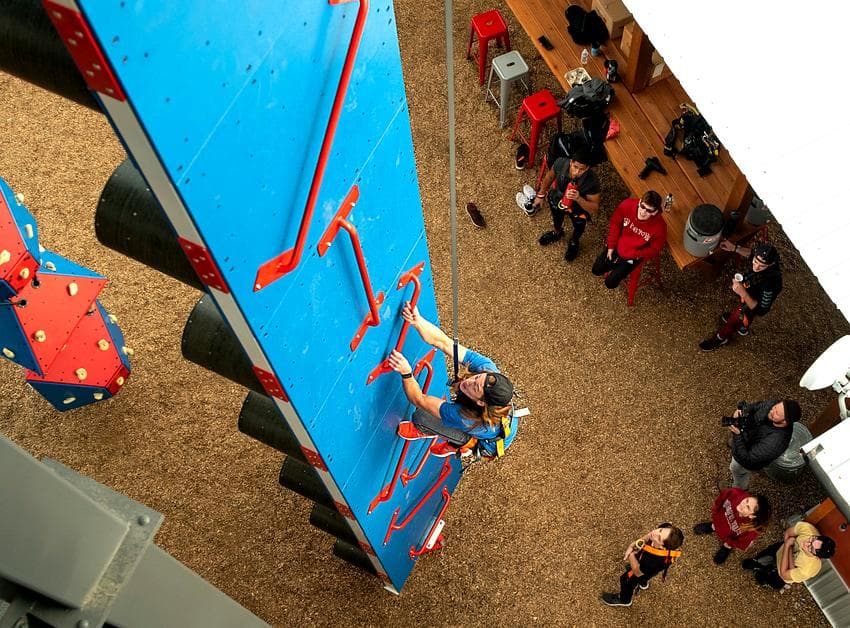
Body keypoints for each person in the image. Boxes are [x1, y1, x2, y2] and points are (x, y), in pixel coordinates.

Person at [386, 303, 518, 458]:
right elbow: (445, 343)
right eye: (476, 377)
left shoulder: (467, 419)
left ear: (482, 402)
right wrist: (418, 322)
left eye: (475, 388)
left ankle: (462, 447)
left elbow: (419, 399)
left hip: (488, 443)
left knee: (421, 417)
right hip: (499, 424)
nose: (469, 382)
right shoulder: (487, 370)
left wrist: (406, 373)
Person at [699, 242, 782, 351]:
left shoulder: (770, 283)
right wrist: (734, 248)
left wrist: (742, 292)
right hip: (751, 291)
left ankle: (721, 338)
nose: (756, 267)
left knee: (736, 318)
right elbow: (751, 254)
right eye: (755, 261)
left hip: (752, 303)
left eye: (762, 266)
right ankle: (742, 327)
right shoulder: (761, 258)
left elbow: (761, 310)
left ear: (771, 265)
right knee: (740, 317)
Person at [529, 148, 601, 261]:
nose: (577, 172)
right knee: (556, 218)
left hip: (578, 209)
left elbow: (594, 208)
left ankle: (574, 242)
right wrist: (540, 195)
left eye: (581, 169)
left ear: (587, 168)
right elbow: (549, 176)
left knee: (579, 227)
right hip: (558, 199)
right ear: (571, 162)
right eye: (575, 167)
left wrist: (579, 199)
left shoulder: (592, 182)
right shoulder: (561, 163)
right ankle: (557, 232)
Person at [591, 191, 667, 289]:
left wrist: (636, 254)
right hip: (618, 244)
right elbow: (615, 224)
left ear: (655, 212)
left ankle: (617, 269)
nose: (643, 212)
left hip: (634, 256)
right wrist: (611, 246)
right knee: (596, 270)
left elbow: (655, 248)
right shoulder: (627, 205)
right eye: (643, 206)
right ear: (640, 202)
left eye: (649, 210)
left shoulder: (660, 227)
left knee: (610, 284)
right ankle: (615, 267)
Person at [601, 523, 684, 607]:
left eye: (658, 538)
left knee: (625, 580)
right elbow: (651, 534)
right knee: (648, 574)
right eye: (660, 530)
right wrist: (634, 544)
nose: (655, 532)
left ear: (663, 547)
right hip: (651, 568)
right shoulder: (667, 534)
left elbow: (637, 572)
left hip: (643, 568)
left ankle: (624, 599)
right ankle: (643, 582)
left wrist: (631, 555)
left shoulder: (652, 561)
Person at [727, 398, 801, 490]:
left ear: (784, 422)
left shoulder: (776, 442)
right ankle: (734, 443)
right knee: (735, 443)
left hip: (744, 459)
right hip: (746, 436)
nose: (772, 411)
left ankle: (739, 488)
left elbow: (747, 459)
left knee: (736, 469)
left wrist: (737, 436)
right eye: (775, 407)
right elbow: (756, 406)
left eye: (777, 413)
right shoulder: (775, 404)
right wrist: (742, 411)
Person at [743, 521, 836, 589]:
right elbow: (788, 532)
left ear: (817, 556)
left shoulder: (808, 569)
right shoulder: (809, 530)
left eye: (811, 548)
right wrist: (790, 562)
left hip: (780, 574)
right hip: (779, 550)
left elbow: (784, 574)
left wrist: (788, 546)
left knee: (768, 580)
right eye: (812, 540)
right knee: (763, 556)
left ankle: (764, 577)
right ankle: (757, 563)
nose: (806, 543)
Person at [693, 489, 771, 564]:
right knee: (716, 525)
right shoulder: (734, 493)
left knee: (729, 544)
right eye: (747, 500)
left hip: (730, 536)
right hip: (719, 520)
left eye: (748, 507)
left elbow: (740, 542)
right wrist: (715, 512)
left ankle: (726, 547)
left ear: (752, 516)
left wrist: (729, 541)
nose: (743, 504)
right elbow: (720, 500)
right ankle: (712, 526)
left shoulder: (751, 530)